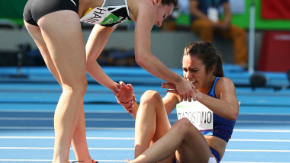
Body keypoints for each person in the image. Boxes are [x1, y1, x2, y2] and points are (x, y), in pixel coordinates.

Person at [23, 0, 197, 162]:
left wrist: (115, 88)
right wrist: (178, 80)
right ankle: (59, 159)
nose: (159, 23)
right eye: (164, 16)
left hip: (35, 10)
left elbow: (89, 60)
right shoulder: (147, 5)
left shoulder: (117, 14)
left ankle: (84, 159)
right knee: (74, 88)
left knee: (72, 91)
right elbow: (143, 57)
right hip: (58, 5)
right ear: (157, 1)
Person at [116, 41, 239, 163]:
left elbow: (232, 112)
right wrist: (129, 104)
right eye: (185, 70)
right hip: (175, 156)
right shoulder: (181, 89)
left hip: (205, 156)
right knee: (150, 96)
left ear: (211, 68)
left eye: (194, 70)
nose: (188, 76)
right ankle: (138, 160)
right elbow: (147, 121)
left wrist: (197, 95)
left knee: (183, 124)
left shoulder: (222, 84)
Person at [189, 0, 248, 68]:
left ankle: (240, 64)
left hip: (216, 22)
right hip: (199, 21)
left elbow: (227, 11)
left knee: (239, 32)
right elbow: (193, 10)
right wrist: (210, 21)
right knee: (207, 27)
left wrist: (226, 23)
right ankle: (206, 61)